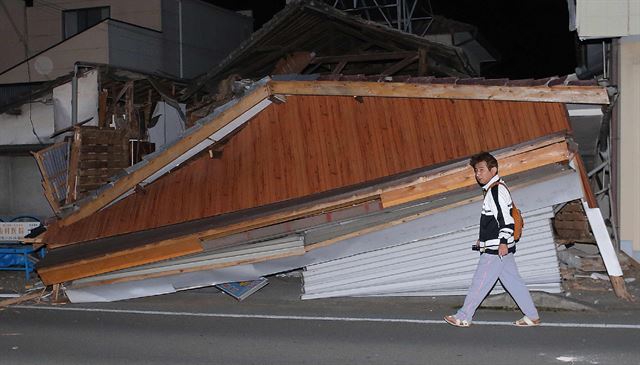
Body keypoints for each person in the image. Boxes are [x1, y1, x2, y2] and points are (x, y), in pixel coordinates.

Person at [444, 151, 540, 328]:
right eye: (476, 170)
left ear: (493, 169)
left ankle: (463, 316)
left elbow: (505, 219)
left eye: (481, 170)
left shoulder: (495, 191)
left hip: (497, 249)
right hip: (501, 245)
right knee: (513, 282)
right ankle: (532, 316)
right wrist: (484, 239)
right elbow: (494, 221)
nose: (477, 174)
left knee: (480, 282)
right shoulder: (496, 189)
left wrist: (502, 241)